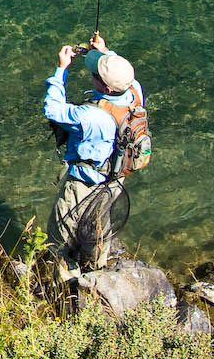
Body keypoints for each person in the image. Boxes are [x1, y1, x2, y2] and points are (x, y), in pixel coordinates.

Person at [42, 31, 142, 271]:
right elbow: (123, 75)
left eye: (95, 73)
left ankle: (62, 278)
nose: (92, 74)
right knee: (98, 226)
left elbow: (52, 109)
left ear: (105, 88)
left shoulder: (91, 116)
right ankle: (96, 269)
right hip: (115, 180)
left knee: (60, 235)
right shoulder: (135, 92)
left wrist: (61, 69)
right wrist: (105, 52)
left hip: (83, 184)